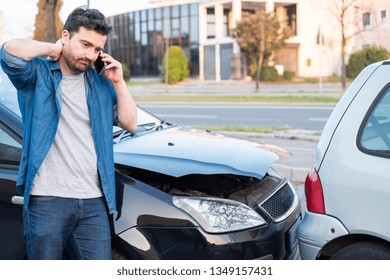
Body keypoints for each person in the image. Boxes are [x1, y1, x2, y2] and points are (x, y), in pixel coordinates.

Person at [0, 6, 138, 260]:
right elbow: (9, 52)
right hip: (47, 199)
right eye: (85, 44)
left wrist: (118, 82)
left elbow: (130, 123)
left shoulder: (100, 83)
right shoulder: (37, 75)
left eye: (97, 49)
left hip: (94, 199)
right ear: (66, 36)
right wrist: (52, 50)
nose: (90, 54)